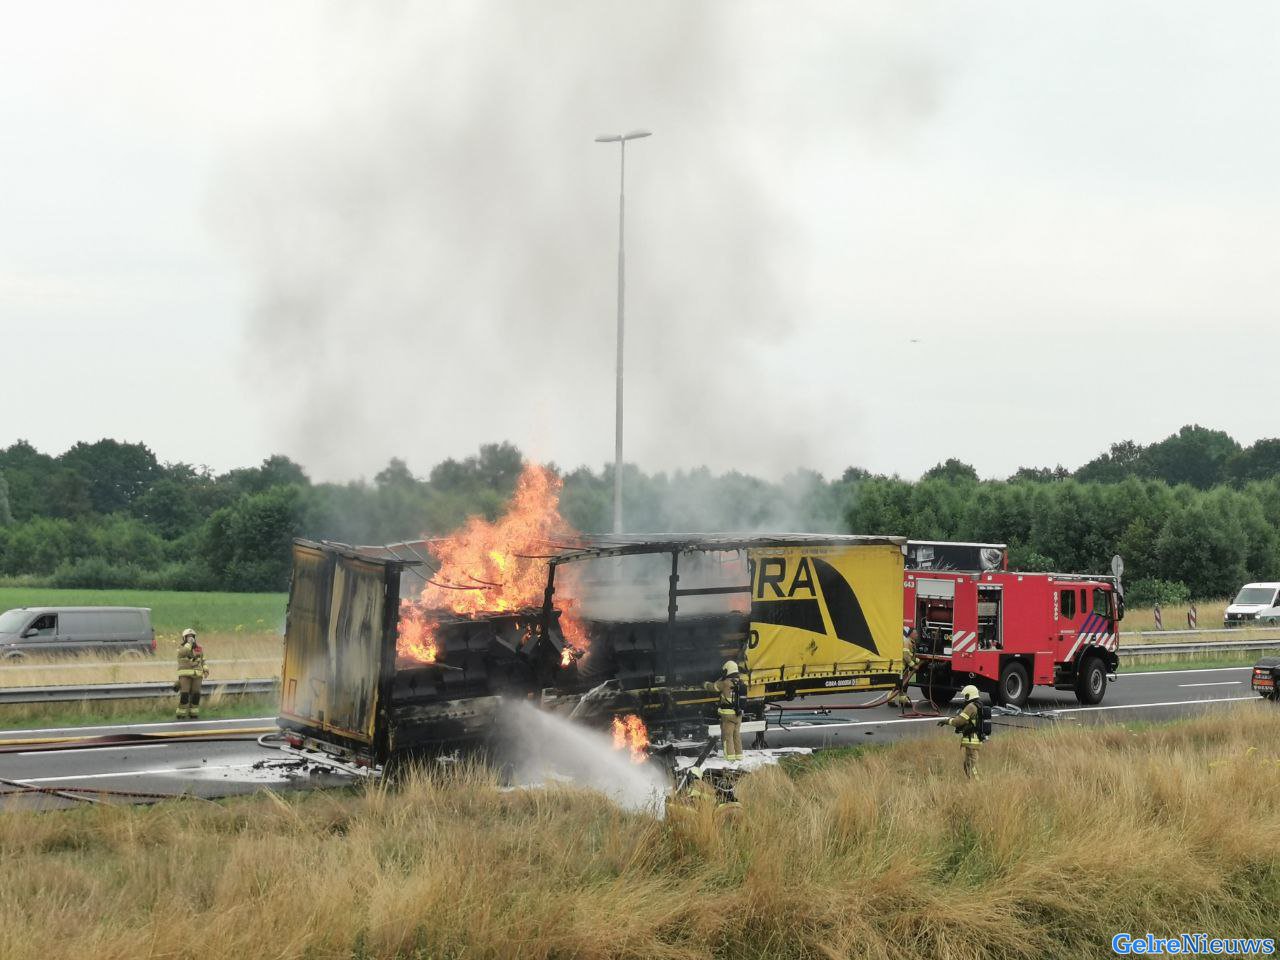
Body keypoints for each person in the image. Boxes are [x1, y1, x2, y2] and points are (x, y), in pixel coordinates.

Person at [938, 684, 984, 780]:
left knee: (971, 764)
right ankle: (972, 782)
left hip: (972, 740)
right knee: (967, 764)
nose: (964, 699)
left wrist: (947, 721)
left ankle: (978, 782)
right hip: (975, 739)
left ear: (969, 695)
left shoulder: (971, 707)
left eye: (965, 696)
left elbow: (958, 721)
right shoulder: (978, 705)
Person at [705, 660, 745, 761]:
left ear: (727, 670)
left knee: (728, 737)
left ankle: (730, 759)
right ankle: (739, 756)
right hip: (738, 714)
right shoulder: (741, 683)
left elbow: (712, 687)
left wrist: (704, 684)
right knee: (736, 735)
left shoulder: (725, 683)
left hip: (728, 715)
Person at [174, 628, 208, 720]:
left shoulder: (199, 648)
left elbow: (202, 659)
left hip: (197, 675)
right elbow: (183, 653)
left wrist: (205, 669)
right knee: (184, 694)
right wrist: (189, 644)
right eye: (188, 637)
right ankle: (181, 714)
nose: (190, 638)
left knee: (196, 694)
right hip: (185, 675)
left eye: (192, 637)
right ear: (184, 638)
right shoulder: (181, 647)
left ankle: (194, 714)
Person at [892, 625, 920, 711]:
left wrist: (918, 660)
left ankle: (903, 700)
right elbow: (906, 656)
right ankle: (891, 699)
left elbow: (912, 655)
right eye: (915, 633)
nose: (917, 635)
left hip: (905, 667)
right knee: (900, 684)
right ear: (910, 634)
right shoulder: (906, 642)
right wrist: (913, 665)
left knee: (904, 684)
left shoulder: (911, 642)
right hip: (902, 666)